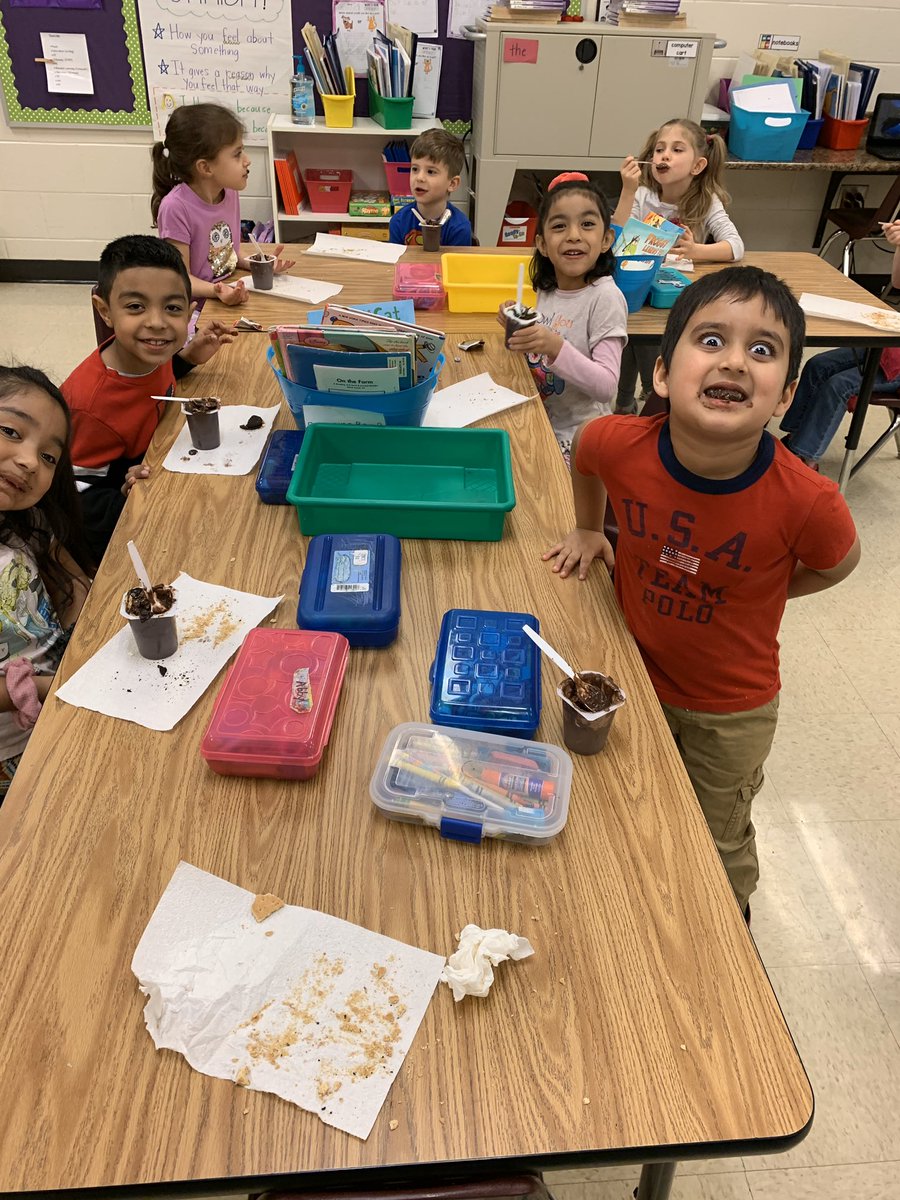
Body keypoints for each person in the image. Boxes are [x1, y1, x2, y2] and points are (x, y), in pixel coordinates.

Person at [544, 266, 860, 917]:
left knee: (718, 839)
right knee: (636, 804)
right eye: (711, 340)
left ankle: (727, 922)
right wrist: (585, 527)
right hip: (636, 667)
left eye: (763, 350)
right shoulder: (618, 441)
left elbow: (840, 563)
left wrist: (768, 593)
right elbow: (586, 458)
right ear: (662, 373)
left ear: (785, 396)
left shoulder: (809, 500)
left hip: (732, 709)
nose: (736, 361)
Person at [62, 235, 235, 563]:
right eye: (135, 307)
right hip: (119, 535)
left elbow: (155, 385)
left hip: (162, 469)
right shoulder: (90, 406)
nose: (156, 323)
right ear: (105, 311)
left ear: (189, 314)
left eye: (172, 308)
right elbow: (70, 494)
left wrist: (187, 359)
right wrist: (127, 500)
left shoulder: (148, 354)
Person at [0, 366, 92, 802]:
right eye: (11, 432)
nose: (29, 461)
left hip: (64, 701)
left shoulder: (25, 522)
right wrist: (36, 688)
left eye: (50, 457)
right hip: (13, 758)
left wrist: (87, 641)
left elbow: (70, 583)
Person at [612, 118, 744, 415]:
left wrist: (698, 250)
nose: (664, 155)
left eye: (676, 149)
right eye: (659, 149)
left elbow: (736, 247)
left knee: (643, 338)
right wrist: (627, 191)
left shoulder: (707, 202)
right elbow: (615, 236)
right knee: (629, 333)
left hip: (678, 296)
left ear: (697, 166)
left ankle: (647, 394)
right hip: (638, 285)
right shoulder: (643, 196)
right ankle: (630, 400)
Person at [501, 172, 627, 461]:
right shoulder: (548, 289)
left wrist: (554, 346)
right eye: (560, 225)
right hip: (542, 418)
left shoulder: (605, 298)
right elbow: (543, 343)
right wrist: (518, 323)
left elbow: (607, 386)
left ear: (606, 239)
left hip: (581, 436)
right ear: (543, 245)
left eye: (587, 224)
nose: (573, 235)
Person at [780, 220, 900, 469]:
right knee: (817, 364)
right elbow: (898, 283)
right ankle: (793, 439)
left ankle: (805, 459)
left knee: (839, 385)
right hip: (893, 348)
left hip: (896, 360)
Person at [151, 102, 294, 305]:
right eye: (237, 154)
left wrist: (260, 264)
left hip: (227, 294)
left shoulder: (229, 191)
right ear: (205, 167)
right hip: (197, 309)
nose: (247, 160)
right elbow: (180, 281)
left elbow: (231, 254)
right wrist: (217, 291)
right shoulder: (175, 208)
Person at [388, 129, 472, 247]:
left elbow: (455, 265)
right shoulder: (398, 222)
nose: (419, 178)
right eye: (415, 169)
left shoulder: (460, 228)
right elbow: (395, 263)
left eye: (431, 171)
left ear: (452, 184)